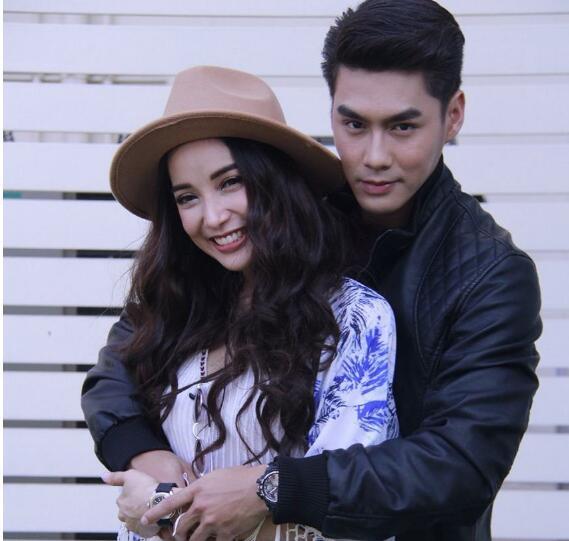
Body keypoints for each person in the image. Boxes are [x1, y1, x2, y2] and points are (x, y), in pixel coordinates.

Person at [82, 1, 542, 540]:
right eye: (354, 124)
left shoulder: (491, 275)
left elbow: (461, 463)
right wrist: (143, 455)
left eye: (402, 126)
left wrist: (272, 488)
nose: (374, 155)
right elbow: (126, 358)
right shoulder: (279, 221)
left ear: (453, 115)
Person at [88, 65, 398, 541]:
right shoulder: (174, 306)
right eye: (187, 197)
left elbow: (348, 506)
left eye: (230, 182)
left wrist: (162, 512)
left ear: (275, 180)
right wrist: (145, 458)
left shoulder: (353, 318)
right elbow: (109, 387)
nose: (213, 217)